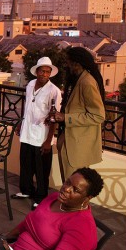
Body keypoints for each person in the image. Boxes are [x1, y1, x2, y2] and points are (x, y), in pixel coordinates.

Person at [0, 167, 104, 250]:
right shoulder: (55, 198)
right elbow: (29, 222)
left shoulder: (81, 225)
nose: (67, 188)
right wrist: (5, 238)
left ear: (87, 198)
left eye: (75, 190)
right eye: (68, 182)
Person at [12, 57, 62, 210]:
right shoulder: (30, 85)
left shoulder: (54, 91)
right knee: (26, 163)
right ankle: (26, 190)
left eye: (47, 72)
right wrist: (21, 122)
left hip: (42, 135)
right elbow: (27, 106)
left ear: (50, 74)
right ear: (37, 71)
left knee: (42, 169)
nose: (44, 74)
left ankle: (40, 197)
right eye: (42, 71)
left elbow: (54, 117)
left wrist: (48, 141)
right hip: (27, 131)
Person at [52, 47, 106, 183]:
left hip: (77, 146)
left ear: (77, 63)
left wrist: (66, 117)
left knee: (74, 185)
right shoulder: (77, 79)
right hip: (69, 140)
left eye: (68, 62)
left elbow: (98, 116)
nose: (66, 65)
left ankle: (75, 205)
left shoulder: (87, 82)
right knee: (68, 183)